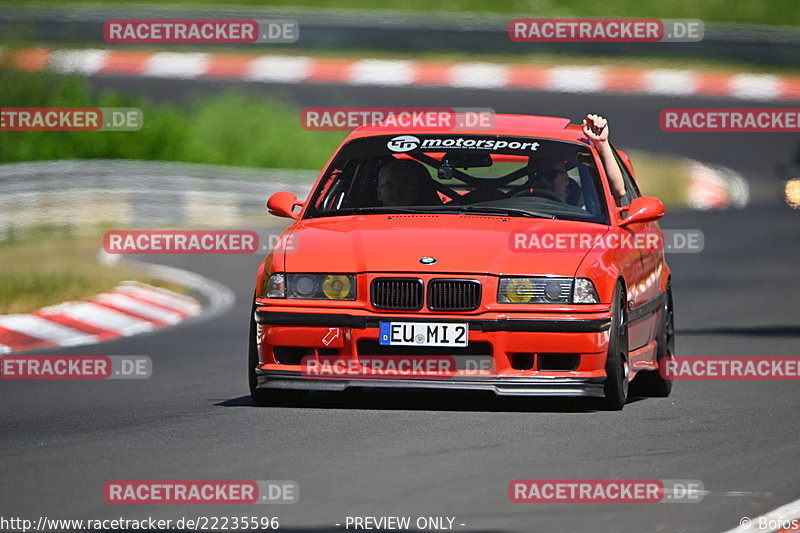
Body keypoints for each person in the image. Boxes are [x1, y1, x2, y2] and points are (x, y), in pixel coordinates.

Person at [528, 114, 626, 204]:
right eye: (536, 176)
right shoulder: (514, 207)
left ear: (565, 179)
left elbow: (619, 191)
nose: (543, 181)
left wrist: (602, 143)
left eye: (550, 175)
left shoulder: (591, 210)